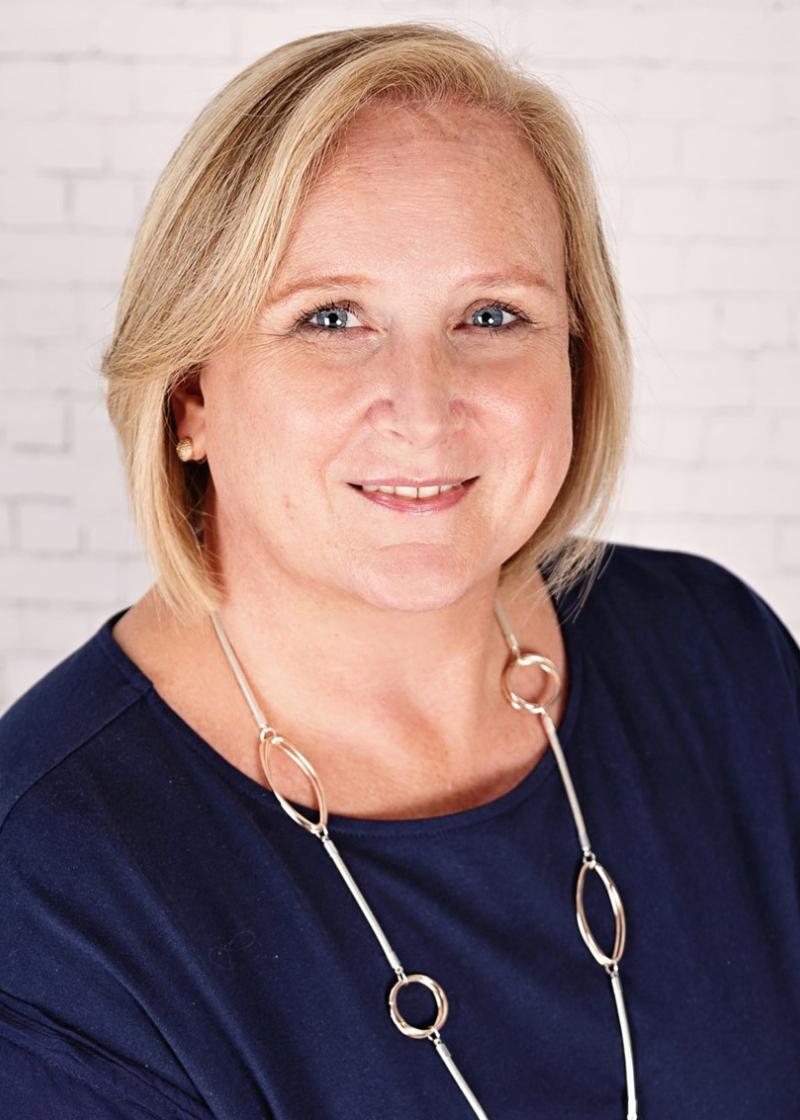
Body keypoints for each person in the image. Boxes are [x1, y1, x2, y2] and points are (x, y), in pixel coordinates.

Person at [0, 21, 798, 1120]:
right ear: (189, 397)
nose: (423, 409)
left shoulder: (718, 658)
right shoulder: (45, 893)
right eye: (329, 318)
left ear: (576, 356)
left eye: (490, 314)